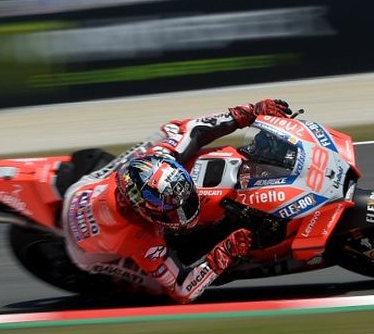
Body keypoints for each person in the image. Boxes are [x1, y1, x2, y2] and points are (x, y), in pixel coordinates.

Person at [61, 99, 292, 303]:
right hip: (85, 253)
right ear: (144, 213)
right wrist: (224, 253)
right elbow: (182, 290)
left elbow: (194, 129)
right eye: (170, 212)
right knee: (157, 288)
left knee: (172, 130)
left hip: (87, 188)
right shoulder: (139, 239)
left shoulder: (158, 156)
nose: (184, 213)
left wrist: (249, 112)